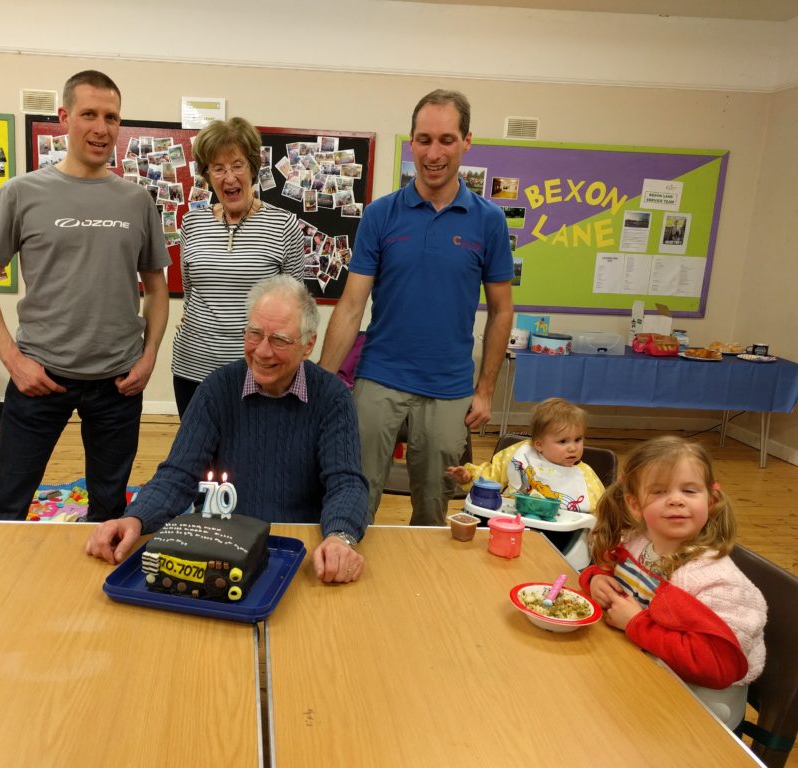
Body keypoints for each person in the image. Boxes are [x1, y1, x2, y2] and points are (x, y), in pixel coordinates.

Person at [0, 70, 170, 522]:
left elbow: (157, 288)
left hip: (119, 381)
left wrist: (150, 354)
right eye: (89, 114)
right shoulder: (21, 193)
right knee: (3, 507)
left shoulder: (137, 200)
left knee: (109, 509)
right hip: (39, 376)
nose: (101, 128)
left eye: (111, 117)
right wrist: (13, 361)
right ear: (64, 117)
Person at [86, 275, 368, 584]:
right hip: (220, 551)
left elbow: (346, 483)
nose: (262, 351)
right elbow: (177, 476)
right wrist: (134, 518)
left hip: (300, 553)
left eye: (279, 340)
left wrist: (340, 536)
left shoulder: (332, 397)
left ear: (308, 344)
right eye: (254, 333)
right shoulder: (217, 390)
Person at [319, 89, 514, 527]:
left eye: (446, 139)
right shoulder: (381, 215)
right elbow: (351, 305)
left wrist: (485, 390)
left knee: (432, 510)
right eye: (424, 139)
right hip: (379, 379)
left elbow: (502, 311)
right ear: (411, 142)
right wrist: (324, 380)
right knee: (354, 495)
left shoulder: (489, 221)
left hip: (448, 389)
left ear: (467, 141)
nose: (434, 152)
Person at [580, 436, 766, 728]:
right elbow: (603, 568)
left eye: (689, 490)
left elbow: (715, 666)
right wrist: (596, 579)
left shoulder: (715, 580)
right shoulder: (637, 542)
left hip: (705, 700)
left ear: (711, 501)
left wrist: (635, 624)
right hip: (641, 671)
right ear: (635, 505)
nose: (676, 499)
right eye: (659, 491)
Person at [173, 117, 305, 416]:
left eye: (237, 165)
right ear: (207, 175)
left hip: (258, 370)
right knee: (196, 455)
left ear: (253, 168)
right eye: (217, 168)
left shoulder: (284, 225)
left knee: (255, 455)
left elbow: (296, 307)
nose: (228, 177)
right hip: (192, 367)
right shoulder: (192, 223)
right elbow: (190, 292)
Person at [446, 398, 604, 512]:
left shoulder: (585, 476)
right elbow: (493, 475)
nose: (573, 448)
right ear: (539, 444)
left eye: (578, 440)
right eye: (563, 442)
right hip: (509, 520)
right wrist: (470, 476)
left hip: (561, 535)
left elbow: (601, 509)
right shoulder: (522, 455)